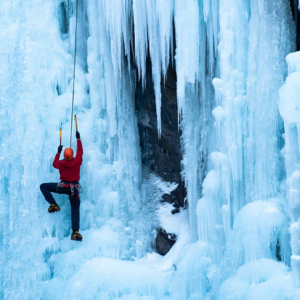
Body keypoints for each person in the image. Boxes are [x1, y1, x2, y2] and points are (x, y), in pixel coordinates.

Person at [40, 131, 83, 241]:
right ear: (72, 155)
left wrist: (58, 152)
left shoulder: (61, 163)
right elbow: (80, 151)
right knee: (75, 208)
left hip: (63, 187)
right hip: (74, 189)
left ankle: (53, 204)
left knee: (43, 186)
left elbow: (54, 163)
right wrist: (78, 139)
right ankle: (75, 232)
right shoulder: (77, 161)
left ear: (64, 156)